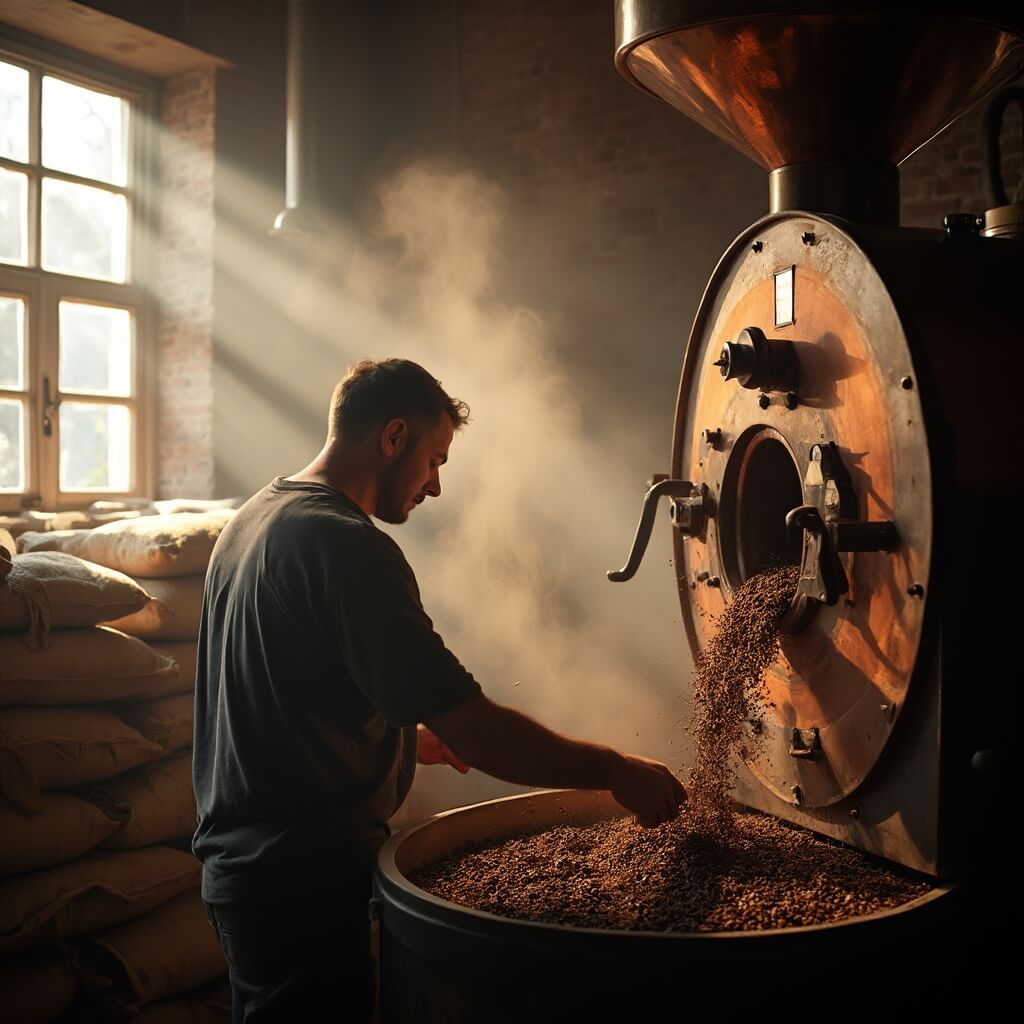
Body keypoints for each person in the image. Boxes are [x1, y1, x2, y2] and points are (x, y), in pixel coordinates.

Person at [193, 357, 686, 1022]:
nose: (435, 486)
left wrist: (399, 739)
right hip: (299, 878)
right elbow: (479, 731)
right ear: (393, 437)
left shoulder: (256, 518)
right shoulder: (349, 548)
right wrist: (615, 770)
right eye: (436, 459)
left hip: (246, 871)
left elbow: (282, 683)